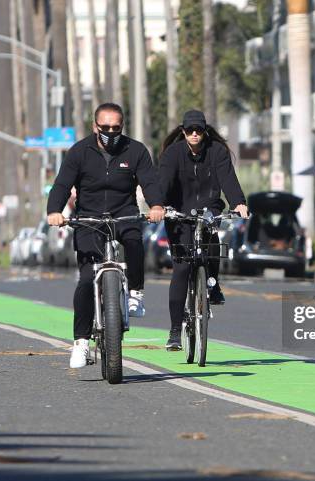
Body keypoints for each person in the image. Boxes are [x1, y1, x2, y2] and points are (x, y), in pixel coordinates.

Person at [47, 103, 165, 368]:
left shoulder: (135, 150)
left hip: (123, 213)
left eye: (116, 127)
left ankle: (136, 292)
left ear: (122, 126)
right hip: (89, 218)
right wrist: (54, 211)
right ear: (95, 127)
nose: (111, 132)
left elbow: (150, 181)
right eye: (105, 128)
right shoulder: (80, 151)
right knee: (87, 278)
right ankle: (81, 343)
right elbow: (63, 184)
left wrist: (157, 206)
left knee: (134, 241)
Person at [159, 110, 248, 351]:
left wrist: (238, 202)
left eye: (199, 130)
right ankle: (175, 332)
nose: (195, 134)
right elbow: (163, 181)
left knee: (212, 247)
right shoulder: (173, 153)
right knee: (182, 268)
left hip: (209, 209)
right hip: (179, 214)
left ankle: (213, 283)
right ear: (183, 131)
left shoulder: (217, 152)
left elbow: (228, 179)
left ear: (205, 130)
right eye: (190, 130)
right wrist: (159, 205)